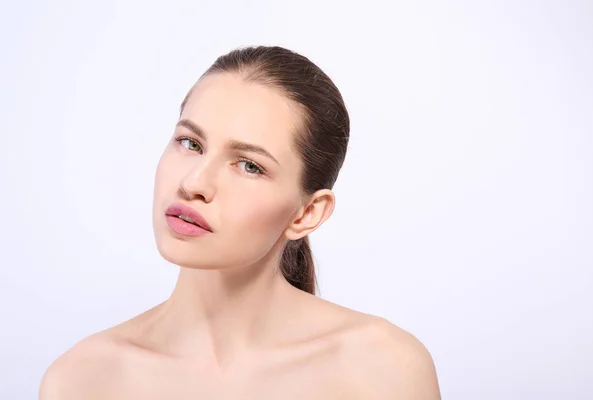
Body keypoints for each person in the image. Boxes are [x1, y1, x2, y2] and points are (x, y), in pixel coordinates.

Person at [39, 45, 441, 399]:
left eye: (249, 166)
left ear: (307, 213)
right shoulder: (80, 381)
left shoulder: (383, 370)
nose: (194, 182)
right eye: (190, 143)